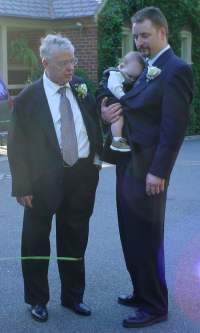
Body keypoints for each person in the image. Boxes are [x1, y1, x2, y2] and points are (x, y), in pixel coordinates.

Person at [97, 6, 193, 328]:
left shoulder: (175, 69)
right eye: (136, 35)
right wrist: (108, 114)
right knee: (131, 234)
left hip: (149, 170)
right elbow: (130, 106)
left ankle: (155, 305)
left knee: (148, 238)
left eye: (145, 35)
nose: (139, 42)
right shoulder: (147, 67)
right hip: (128, 165)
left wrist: (159, 171)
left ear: (162, 32)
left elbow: (173, 128)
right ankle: (141, 291)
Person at [8, 34, 102, 322]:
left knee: (75, 239)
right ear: (45, 62)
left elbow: (93, 124)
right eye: (64, 63)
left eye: (72, 60)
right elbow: (16, 144)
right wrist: (22, 185)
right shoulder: (28, 98)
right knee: (36, 242)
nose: (71, 67)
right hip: (42, 181)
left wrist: (96, 162)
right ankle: (37, 299)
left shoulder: (81, 88)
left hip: (81, 177)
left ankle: (74, 297)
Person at [101, 51, 145, 152]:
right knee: (118, 116)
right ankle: (117, 140)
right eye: (129, 76)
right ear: (121, 66)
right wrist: (125, 99)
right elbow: (115, 88)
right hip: (111, 98)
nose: (131, 80)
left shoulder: (124, 75)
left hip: (117, 98)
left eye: (134, 78)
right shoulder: (115, 74)